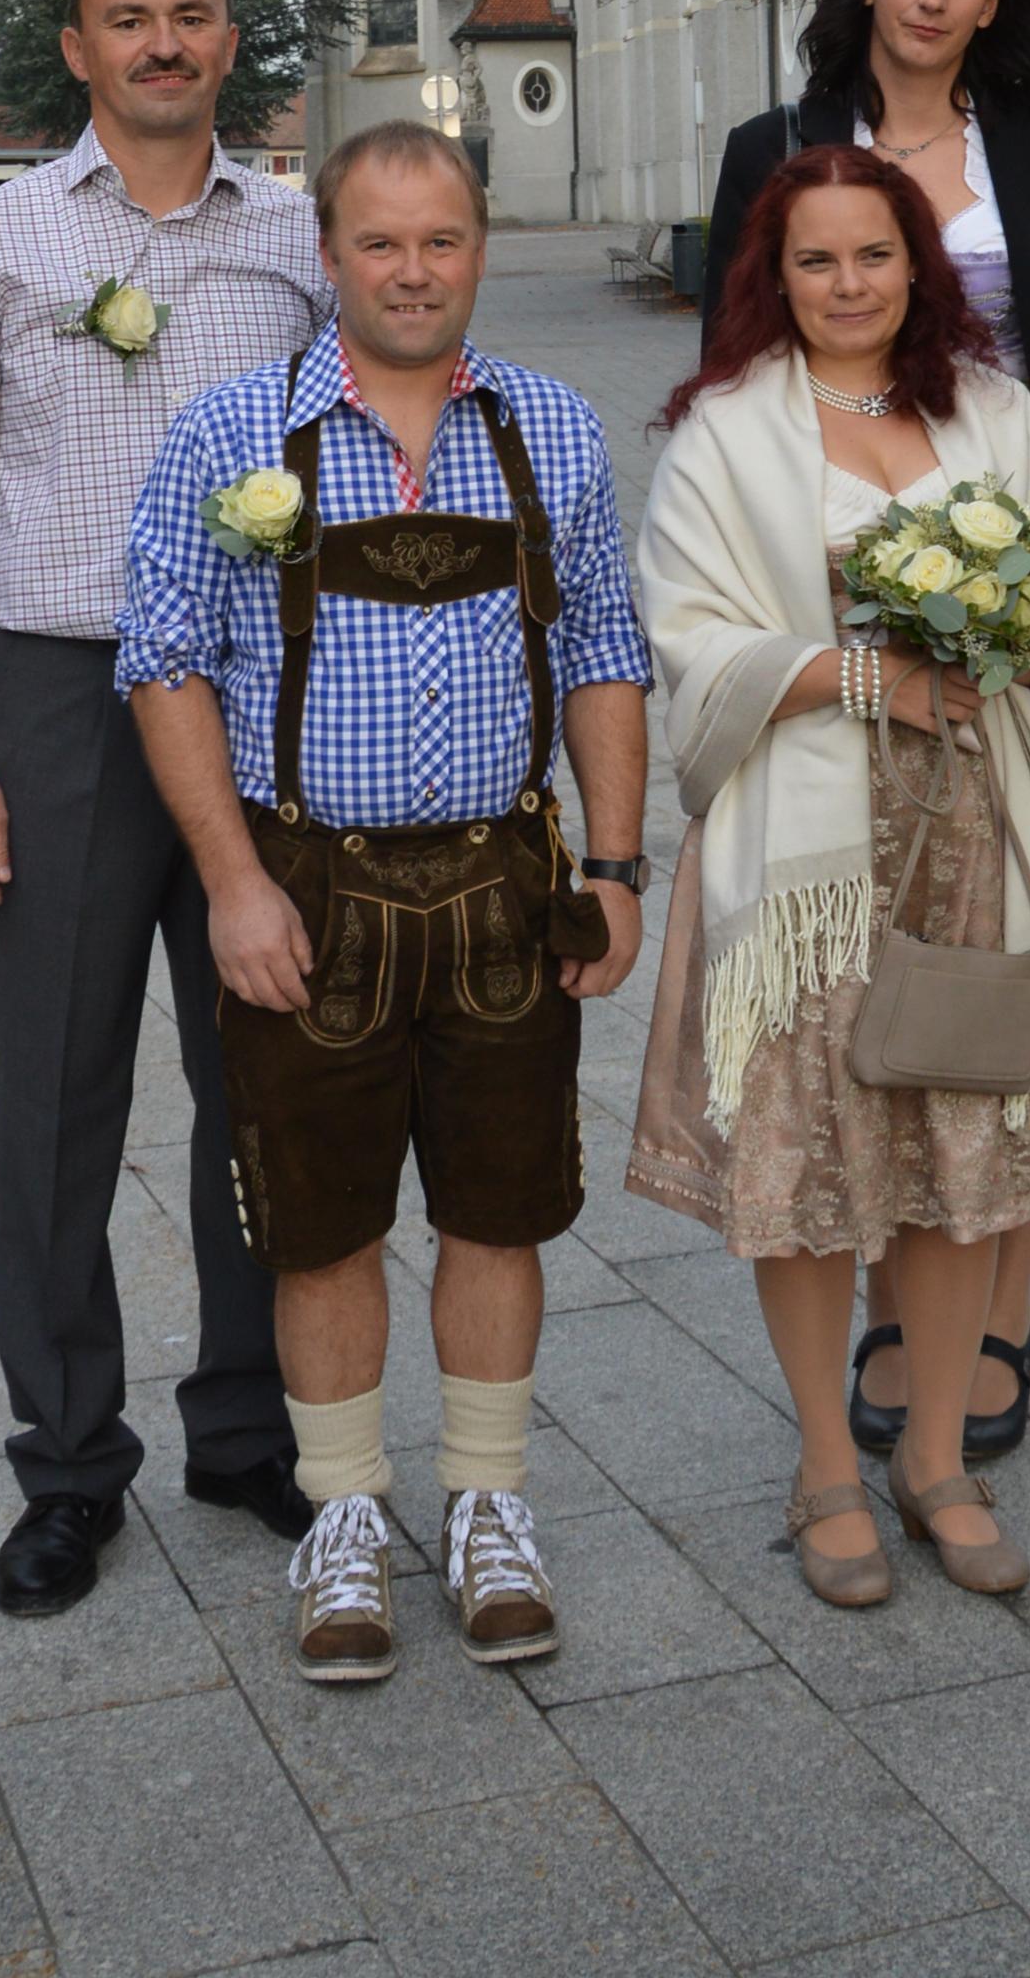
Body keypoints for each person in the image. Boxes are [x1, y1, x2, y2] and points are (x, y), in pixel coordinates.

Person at [119, 121, 651, 1689]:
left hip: (504, 889)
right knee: (322, 1221)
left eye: (442, 241)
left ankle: (488, 1506)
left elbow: (605, 650)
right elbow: (163, 662)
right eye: (380, 243)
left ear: (478, 249)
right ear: (328, 255)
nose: (413, 272)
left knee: (499, 1207)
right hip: (308, 893)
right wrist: (231, 885)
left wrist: (617, 869)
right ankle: (344, 1516)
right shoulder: (234, 433)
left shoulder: (549, 426)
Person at [700, 0, 1030, 1464]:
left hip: (1024, 598)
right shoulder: (777, 147)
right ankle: (900, 1307)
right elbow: (734, 379)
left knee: (1027, 954)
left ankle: (999, 1313)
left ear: (993, 3)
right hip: (839, 602)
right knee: (863, 977)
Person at [627, 146, 1030, 1606]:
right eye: (816, 260)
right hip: (808, 863)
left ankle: (936, 1458)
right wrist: (865, 676)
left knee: (963, 1154)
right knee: (809, 1158)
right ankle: (824, 1472)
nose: (848, 285)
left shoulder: (996, 414)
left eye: (873, 255)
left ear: (918, 263)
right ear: (772, 276)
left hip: (986, 836)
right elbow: (690, 634)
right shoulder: (724, 435)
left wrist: (1011, 636)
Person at [0, 0, 322, 1624]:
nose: (161, 44)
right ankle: (69, 1466)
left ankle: (248, 1426)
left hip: (257, 705)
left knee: (262, 1085)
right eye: (128, 19)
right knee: (60, 1101)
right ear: (78, 49)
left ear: (230, 42)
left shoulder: (297, 239)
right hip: (62, 706)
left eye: (190, 16)